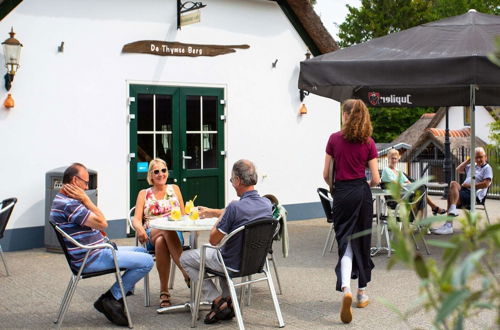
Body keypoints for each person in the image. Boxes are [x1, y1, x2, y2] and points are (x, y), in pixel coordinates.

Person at [50, 163, 154, 327]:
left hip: (94, 251)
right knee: (147, 261)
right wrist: (86, 199)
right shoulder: (69, 204)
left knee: (140, 251)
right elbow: (102, 223)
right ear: (75, 181)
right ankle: (112, 298)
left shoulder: (63, 199)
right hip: (90, 257)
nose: (86, 186)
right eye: (85, 182)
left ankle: (118, 297)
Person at [180, 159, 272, 324]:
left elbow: (213, 240)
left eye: (231, 180)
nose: (232, 184)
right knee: (221, 254)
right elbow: (245, 212)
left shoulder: (234, 207)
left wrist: (220, 217)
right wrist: (216, 212)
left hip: (230, 263)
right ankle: (228, 299)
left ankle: (216, 300)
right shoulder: (266, 204)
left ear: (237, 180)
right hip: (256, 263)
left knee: (185, 258)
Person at [322, 99, 380, 324]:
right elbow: (375, 178)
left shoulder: (334, 139)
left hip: (342, 194)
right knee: (362, 242)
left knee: (344, 242)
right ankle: (362, 293)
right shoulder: (368, 142)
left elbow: (325, 173)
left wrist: (336, 188)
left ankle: (346, 287)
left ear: (346, 115)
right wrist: (365, 186)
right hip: (361, 193)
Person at [131, 158, 191, 308]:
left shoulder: (175, 189)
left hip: (174, 234)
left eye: (163, 170)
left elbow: (183, 215)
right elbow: (136, 219)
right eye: (156, 171)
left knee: (162, 241)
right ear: (151, 175)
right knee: (163, 230)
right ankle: (186, 272)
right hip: (151, 233)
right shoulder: (143, 193)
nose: (160, 174)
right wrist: (139, 229)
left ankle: (164, 291)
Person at [432, 147, 493, 235]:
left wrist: (470, 185)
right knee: (453, 183)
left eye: (481, 157)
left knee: (451, 195)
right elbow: (458, 169)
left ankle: (448, 225)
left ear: (485, 157)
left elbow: (486, 184)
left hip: (474, 194)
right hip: (464, 190)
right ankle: (452, 212)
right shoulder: (473, 166)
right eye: (476, 157)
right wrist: (468, 160)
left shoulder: (487, 168)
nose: (479, 159)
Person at [381, 148, 446, 216]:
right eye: (392, 158)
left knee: (421, 192)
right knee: (421, 192)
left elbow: (407, 181)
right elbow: (395, 183)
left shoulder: (398, 170)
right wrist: (407, 185)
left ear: (398, 159)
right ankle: (427, 212)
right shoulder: (386, 170)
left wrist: (409, 185)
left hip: (405, 193)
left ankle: (424, 215)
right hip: (396, 197)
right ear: (388, 158)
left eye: (395, 158)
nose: (394, 160)